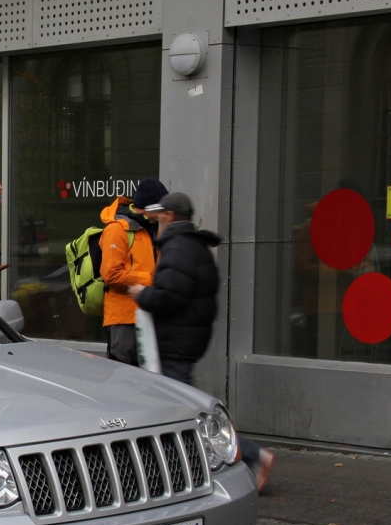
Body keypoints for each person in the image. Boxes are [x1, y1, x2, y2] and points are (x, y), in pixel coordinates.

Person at [127, 191, 275, 491]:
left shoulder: (178, 248)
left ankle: (250, 454)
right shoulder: (196, 246)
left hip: (175, 341)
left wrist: (143, 295)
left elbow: (170, 295)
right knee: (178, 407)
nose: (156, 221)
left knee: (185, 412)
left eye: (159, 216)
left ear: (169, 216)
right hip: (187, 338)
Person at [99, 177, 166, 365]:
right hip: (123, 320)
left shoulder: (151, 231)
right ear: (148, 207)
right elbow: (111, 274)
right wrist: (150, 279)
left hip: (146, 316)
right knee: (122, 381)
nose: (161, 215)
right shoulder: (117, 230)